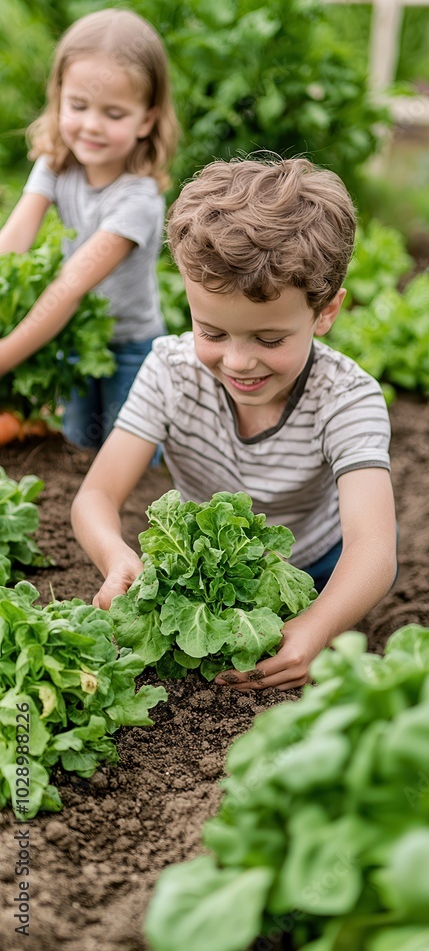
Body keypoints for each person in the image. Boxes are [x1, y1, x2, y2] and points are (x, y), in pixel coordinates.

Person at [71, 156, 397, 691]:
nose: (240, 362)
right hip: (206, 578)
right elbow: (95, 498)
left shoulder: (347, 396)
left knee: (346, 589)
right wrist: (115, 556)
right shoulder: (170, 372)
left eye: (270, 340)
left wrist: (314, 626)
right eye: (213, 333)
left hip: (315, 564)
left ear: (326, 313)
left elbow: (374, 550)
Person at [0, 8, 179, 448]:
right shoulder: (56, 165)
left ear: (147, 119)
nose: (91, 126)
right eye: (78, 106)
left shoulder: (138, 199)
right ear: (58, 97)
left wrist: (3, 357)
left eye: (114, 113)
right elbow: (12, 245)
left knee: (128, 453)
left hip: (131, 347)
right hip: (74, 336)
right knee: (78, 445)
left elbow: (70, 285)